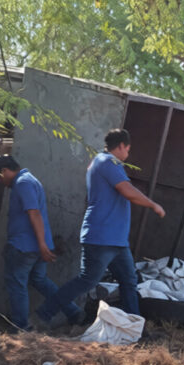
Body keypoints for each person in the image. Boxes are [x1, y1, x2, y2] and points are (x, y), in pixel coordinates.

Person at [36, 128, 165, 324]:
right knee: (88, 280)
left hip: (116, 239)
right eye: (128, 149)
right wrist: (153, 204)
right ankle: (43, 315)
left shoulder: (104, 163)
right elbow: (127, 190)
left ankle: (134, 326)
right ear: (121, 146)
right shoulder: (107, 162)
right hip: (102, 236)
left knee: (129, 281)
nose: (128, 154)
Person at [0, 154, 81, 331]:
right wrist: (43, 244)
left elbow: (34, 213)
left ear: (5, 171)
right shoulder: (30, 180)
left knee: (17, 284)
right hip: (37, 246)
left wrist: (41, 244)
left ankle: (21, 327)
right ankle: (73, 311)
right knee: (38, 280)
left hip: (25, 246)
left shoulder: (22, 183)